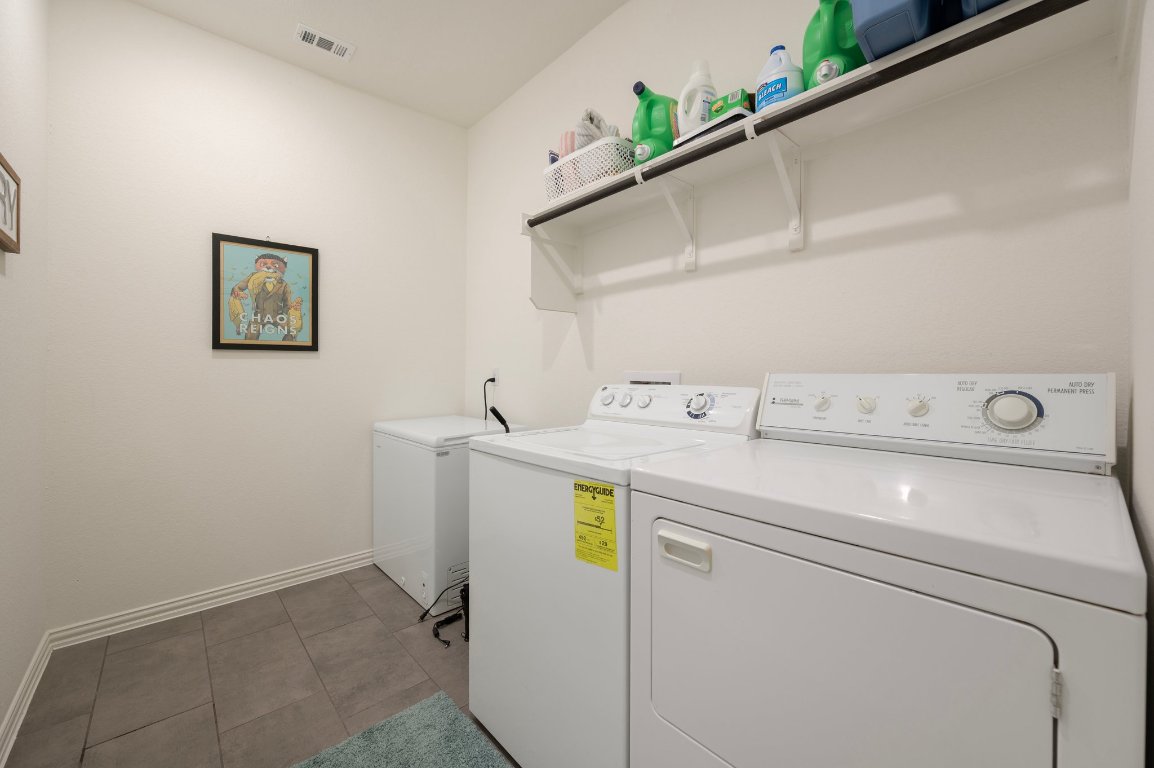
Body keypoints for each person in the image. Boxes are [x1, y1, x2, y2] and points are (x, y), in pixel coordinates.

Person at [230, 253, 297, 341]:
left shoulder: (283, 284)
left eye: (275, 265)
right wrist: (237, 293)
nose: (268, 267)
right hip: (259, 316)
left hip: (277, 316)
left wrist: (293, 309)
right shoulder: (253, 278)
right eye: (263, 264)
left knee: (292, 331)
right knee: (250, 337)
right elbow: (238, 287)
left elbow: (287, 304)